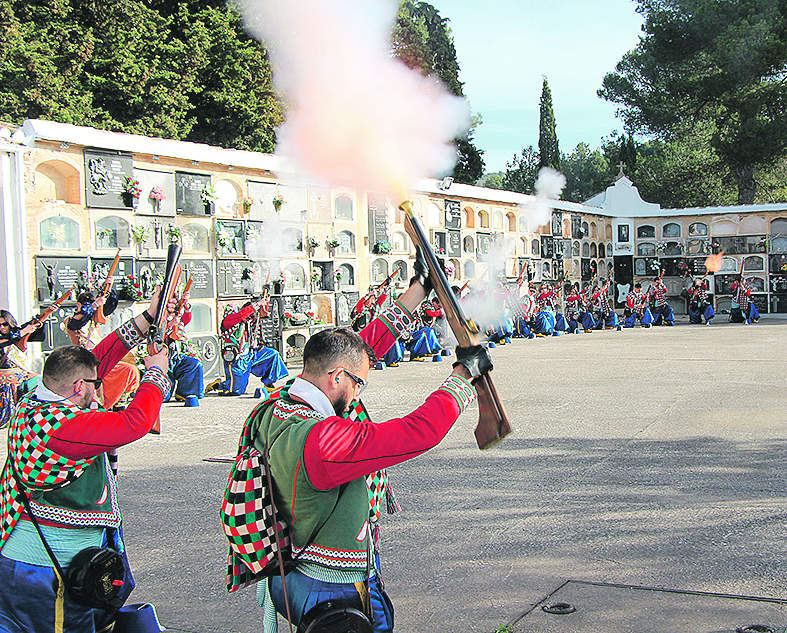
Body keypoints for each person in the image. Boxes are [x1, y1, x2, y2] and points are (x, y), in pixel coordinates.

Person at [244, 327, 490, 632]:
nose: (358, 396)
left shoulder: (278, 405)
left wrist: (419, 290)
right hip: (330, 588)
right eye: (358, 384)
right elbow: (417, 433)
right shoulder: (324, 440)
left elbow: (350, 351)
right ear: (336, 377)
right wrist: (464, 375)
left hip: (288, 579)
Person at [0, 289, 173, 633]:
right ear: (80, 386)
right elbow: (133, 423)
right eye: (94, 384)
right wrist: (155, 373)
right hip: (50, 571)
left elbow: (94, 359)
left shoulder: (38, 396)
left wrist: (148, 318)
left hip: (23, 560)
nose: (99, 389)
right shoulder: (65, 425)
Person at [67, 289, 140, 410]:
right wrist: (95, 305)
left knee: (130, 370)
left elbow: (108, 308)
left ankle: (119, 404)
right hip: (85, 361)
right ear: (79, 305)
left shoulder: (93, 318)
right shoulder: (71, 320)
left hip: (101, 357)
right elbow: (77, 323)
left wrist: (109, 292)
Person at [210, 297, 289, 395]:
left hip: (252, 354)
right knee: (236, 391)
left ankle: (268, 384)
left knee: (273, 355)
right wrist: (258, 304)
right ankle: (219, 385)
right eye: (249, 316)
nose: (250, 319)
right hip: (238, 359)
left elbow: (263, 315)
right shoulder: (230, 320)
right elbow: (241, 315)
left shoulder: (252, 323)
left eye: (252, 317)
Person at [0, 310, 45, 428]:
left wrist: (39, 323)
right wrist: (25, 331)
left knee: (40, 382)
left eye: (5, 324)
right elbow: (11, 338)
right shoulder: (12, 337)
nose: (2, 327)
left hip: (21, 375)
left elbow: (35, 335)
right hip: (5, 378)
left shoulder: (16, 334)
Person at [164, 294, 205, 401]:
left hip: (178, 355)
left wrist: (185, 304)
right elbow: (155, 336)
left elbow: (186, 318)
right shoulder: (157, 316)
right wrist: (169, 326)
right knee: (163, 397)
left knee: (194, 364)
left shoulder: (178, 317)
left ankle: (186, 392)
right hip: (163, 358)